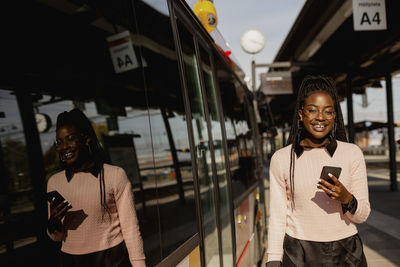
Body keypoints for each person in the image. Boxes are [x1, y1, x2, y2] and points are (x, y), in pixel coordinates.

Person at [266, 75, 371, 266]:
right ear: (301, 114)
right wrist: (273, 258)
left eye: (328, 112)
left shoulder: (352, 153)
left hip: (346, 252)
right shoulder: (281, 158)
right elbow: (278, 215)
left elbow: (362, 216)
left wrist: (346, 198)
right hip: (299, 253)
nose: (320, 117)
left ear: (334, 116)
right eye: (312, 110)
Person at [47, 108, 146, 267]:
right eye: (59, 142)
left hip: (111, 259)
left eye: (70, 139)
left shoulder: (114, 175)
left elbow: (131, 229)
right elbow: (57, 237)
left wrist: (139, 265)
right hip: (71, 261)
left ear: (86, 139)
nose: (64, 147)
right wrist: (53, 223)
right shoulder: (54, 182)